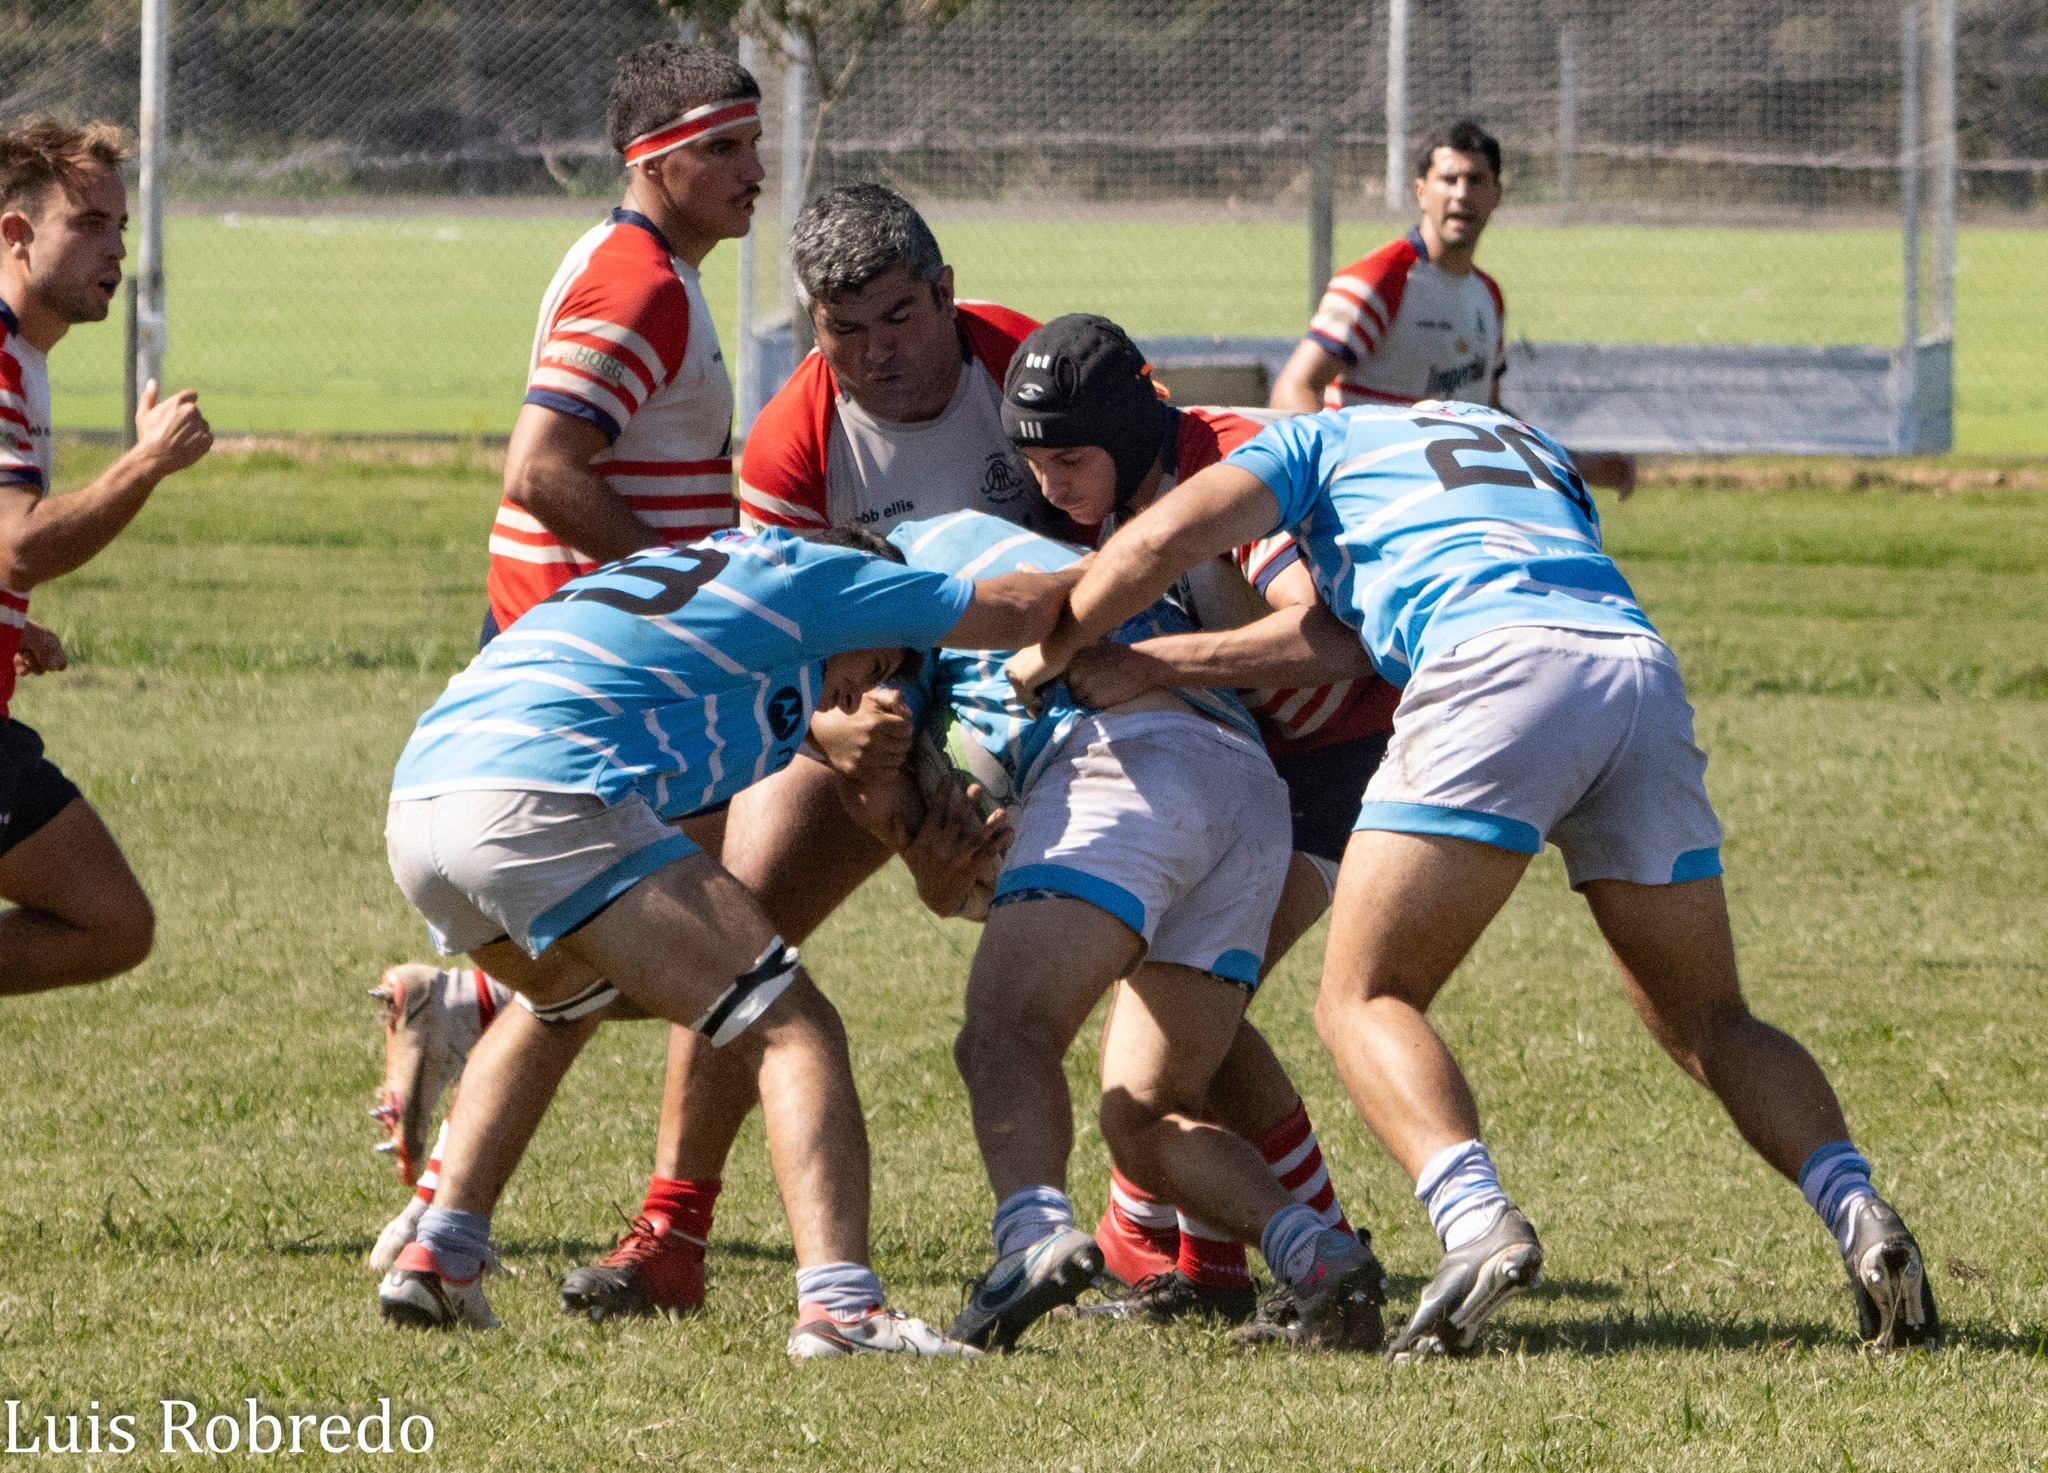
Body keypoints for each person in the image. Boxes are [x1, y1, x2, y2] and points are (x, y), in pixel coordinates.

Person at [1007, 399, 1940, 1357]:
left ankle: (1475, 1223)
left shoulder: (1307, 436)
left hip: (1492, 662)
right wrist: (1156, 661)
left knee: (1363, 996)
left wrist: (1057, 648)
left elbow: (1159, 538)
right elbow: (1354, 631)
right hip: (1634, 665)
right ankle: (1859, 1210)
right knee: (1710, 1016)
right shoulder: (1513, 435)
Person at [376, 523, 1068, 1355]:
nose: (864, 688)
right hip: (540, 789)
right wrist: (1161, 547)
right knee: (793, 1026)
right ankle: (843, 1311)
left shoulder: (709, 575)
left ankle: (440, 1256)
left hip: (422, 799)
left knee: (561, 1002)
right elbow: (1022, 606)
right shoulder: (836, 578)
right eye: (878, 664)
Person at [366, 37, 766, 1209]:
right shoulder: (634, 282)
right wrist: (682, 593)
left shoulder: (627, 259)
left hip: (585, 660)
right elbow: (543, 471)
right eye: (722, 149)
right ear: (653, 160)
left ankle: (447, 1209)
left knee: (653, 950)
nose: (752, 170)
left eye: (753, 144)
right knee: (705, 960)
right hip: (600, 678)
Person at [876, 509, 1385, 1353]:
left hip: (1127, 765)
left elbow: (925, 823)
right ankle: (1317, 1253)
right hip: (1249, 790)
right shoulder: (978, 532)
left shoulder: (898, 601)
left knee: (1006, 1031)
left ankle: (1032, 1237)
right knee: (1144, 1113)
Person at [997, 314, 1388, 1325]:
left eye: (1070, 459)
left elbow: (1326, 640)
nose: (1051, 485)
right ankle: (1218, 1265)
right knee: (1194, 1015)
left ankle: (1316, 1253)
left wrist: (1149, 667)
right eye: (1031, 461)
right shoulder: (1100, 483)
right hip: (1264, 764)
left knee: (1180, 1030)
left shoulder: (1220, 472)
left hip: (1340, 766)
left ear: (1130, 436)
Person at [0, 118, 212, 993]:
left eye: (119, 227)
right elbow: (20, 541)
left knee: (113, 922)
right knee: (106, 920)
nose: (114, 249)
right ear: (15, 234)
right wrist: (146, 462)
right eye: (87, 224)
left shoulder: (23, 357)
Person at [1269, 119, 1636, 498]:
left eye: (1476, 181)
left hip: (1452, 501)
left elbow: (1488, 413)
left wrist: (1573, 462)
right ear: (1421, 190)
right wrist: (1334, 482)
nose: (1462, 194)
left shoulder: (1487, 295)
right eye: (1448, 179)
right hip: (1376, 500)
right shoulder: (1379, 279)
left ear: (1496, 194)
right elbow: (1294, 387)